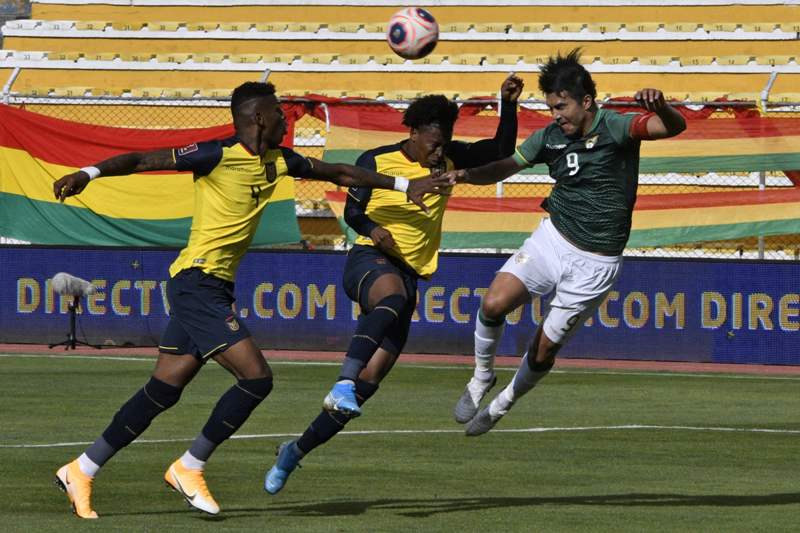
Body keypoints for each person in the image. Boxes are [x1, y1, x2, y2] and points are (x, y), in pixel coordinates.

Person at [51, 81, 451, 519]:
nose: (286, 119)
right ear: (259, 117)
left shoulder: (279, 161)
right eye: (280, 113)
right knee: (256, 378)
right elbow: (143, 160)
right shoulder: (216, 155)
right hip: (195, 282)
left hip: (214, 286)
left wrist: (402, 184)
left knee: (162, 391)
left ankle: (81, 469)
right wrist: (87, 174)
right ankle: (190, 465)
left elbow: (341, 173)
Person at [264, 74, 524, 494]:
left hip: (408, 275)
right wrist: (373, 228)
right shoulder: (377, 161)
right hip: (368, 259)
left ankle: (294, 451)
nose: (438, 152)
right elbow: (352, 215)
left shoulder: (451, 161)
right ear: (414, 132)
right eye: (433, 142)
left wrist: (507, 104)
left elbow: (501, 152)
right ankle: (341, 381)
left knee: (370, 384)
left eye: (444, 143)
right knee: (391, 298)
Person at [446, 49, 686, 436]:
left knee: (543, 350)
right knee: (493, 303)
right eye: (551, 107)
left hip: (596, 263)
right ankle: (481, 378)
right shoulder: (549, 136)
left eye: (562, 106)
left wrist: (663, 106)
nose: (556, 114)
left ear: (586, 101)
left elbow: (671, 127)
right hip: (553, 239)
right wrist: (465, 176)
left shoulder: (616, 127)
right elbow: (507, 166)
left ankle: (502, 404)